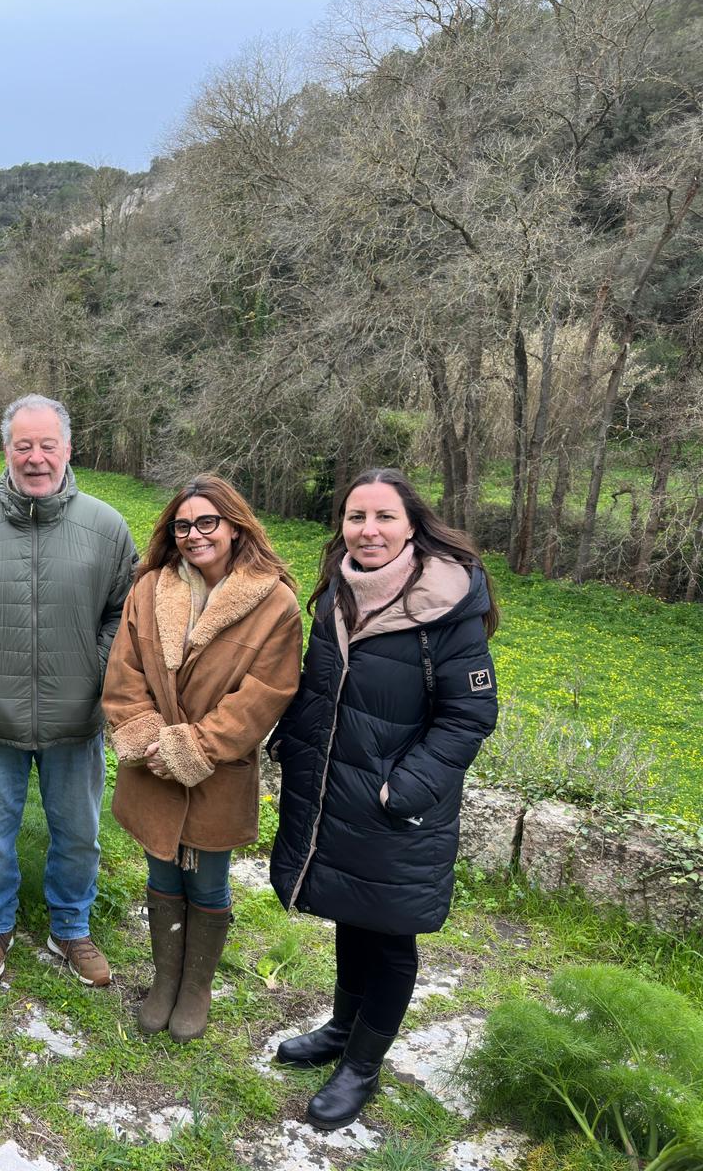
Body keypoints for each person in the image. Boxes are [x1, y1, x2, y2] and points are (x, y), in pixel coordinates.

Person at [269, 468, 498, 1131]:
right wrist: (292, 742)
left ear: (412, 525)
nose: (367, 531)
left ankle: (363, 1067)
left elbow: (469, 715)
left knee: (391, 935)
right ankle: (343, 1028)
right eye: (355, 517)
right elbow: (318, 688)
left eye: (383, 518)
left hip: (400, 806)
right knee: (351, 912)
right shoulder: (337, 592)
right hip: (335, 792)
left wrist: (407, 790)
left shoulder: (444, 605)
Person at [0, 394, 136, 986]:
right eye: (24, 446)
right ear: (7, 449)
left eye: (47, 445)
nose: (36, 458)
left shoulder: (107, 526)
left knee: (80, 834)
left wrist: (94, 671)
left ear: (68, 449)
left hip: (76, 719)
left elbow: (126, 612)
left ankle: (71, 927)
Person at [102, 475, 300, 1041]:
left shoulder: (273, 601)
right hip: (152, 765)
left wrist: (197, 747)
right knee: (161, 869)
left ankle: (196, 987)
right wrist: (146, 737)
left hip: (219, 767)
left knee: (207, 880)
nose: (194, 535)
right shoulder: (150, 589)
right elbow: (123, 673)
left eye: (207, 522)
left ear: (235, 526)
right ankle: (166, 979)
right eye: (183, 525)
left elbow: (266, 693)